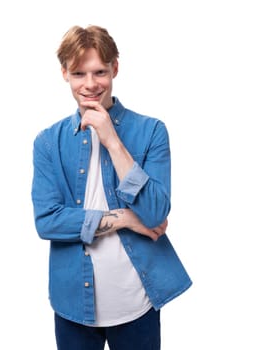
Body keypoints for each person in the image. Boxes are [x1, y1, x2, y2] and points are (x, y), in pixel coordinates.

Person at [31, 24, 192, 350]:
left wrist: (112, 141)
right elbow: (47, 221)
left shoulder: (151, 132)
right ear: (64, 73)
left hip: (137, 302)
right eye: (79, 73)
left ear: (115, 67)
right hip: (73, 305)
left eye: (99, 72)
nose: (90, 84)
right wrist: (124, 219)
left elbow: (156, 211)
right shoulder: (48, 142)